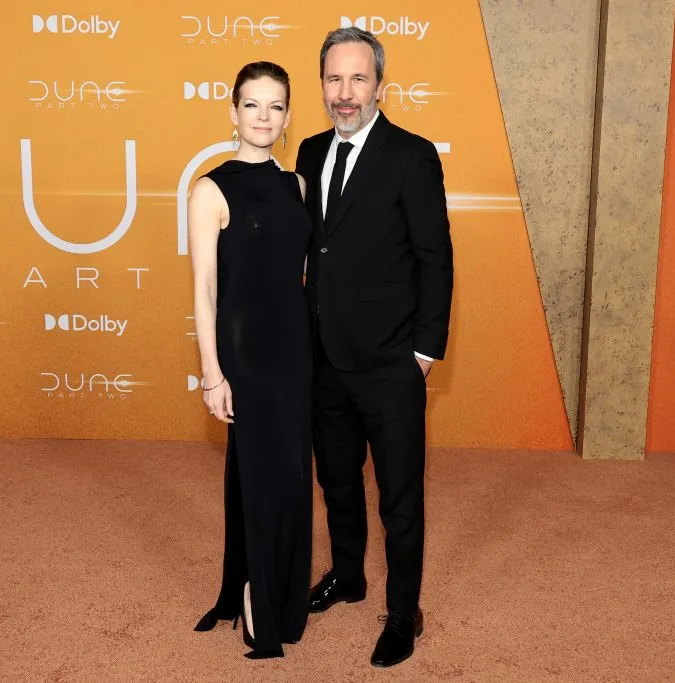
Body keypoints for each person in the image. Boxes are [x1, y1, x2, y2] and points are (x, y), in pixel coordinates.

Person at [295, 28, 454, 668]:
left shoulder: (411, 156)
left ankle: (404, 612)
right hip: (324, 357)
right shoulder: (307, 152)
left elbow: (435, 259)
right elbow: (310, 250)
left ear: (380, 87)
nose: (345, 93)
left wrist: (423, 351)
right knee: (335, 481)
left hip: (391, 362)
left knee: (400, 499)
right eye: (334, 79)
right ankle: (349, 574)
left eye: (358, 79)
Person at [189, 61, 313, 660]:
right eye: (252, 105)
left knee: (290, 481)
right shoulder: (210, 189)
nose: (264, 117)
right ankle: (256, 602)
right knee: (263, 482)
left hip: (295, 352)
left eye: (276, 107)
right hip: (246, 355)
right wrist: (212, 373)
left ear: (288, 115)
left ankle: (278, 595)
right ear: (232, 110)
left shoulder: (297, 186)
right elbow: (205, 289)